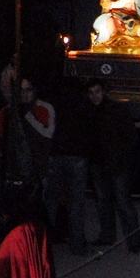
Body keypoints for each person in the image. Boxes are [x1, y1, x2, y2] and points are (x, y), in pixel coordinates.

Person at [85, 78, 140, 253]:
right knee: (103, 202)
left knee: (123, 203)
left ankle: (134, 241)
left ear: (104, 92)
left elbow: (130, 136)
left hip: (117, 164)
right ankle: (107, 235)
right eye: (91, 93)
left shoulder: (117, 110)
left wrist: (122, 158)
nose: (95, 96)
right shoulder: (89, 112)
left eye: (97, 92)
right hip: (98, 164)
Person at [43, 84, 92, 255]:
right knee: (76, 203)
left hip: (58, 155)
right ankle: (78, 245)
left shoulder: (55, 103)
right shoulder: (84, 104)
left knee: (51, 202)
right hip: (77, 156)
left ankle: (44, 245)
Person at [0, 77, 56, 187]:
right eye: (21, 90)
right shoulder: (6, 111)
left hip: (39, 171)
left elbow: (48, 134)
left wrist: (28, 116)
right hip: (12, 172)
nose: (24, 94)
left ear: (34, 91)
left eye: (28, 89)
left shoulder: (45, 108)